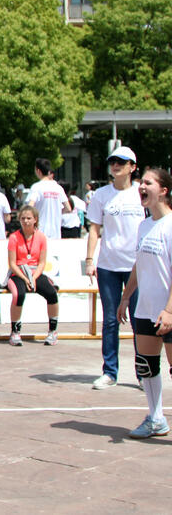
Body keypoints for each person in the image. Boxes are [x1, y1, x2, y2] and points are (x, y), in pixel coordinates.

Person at [117, 168, 172, 438]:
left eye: (148, 182)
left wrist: (169, 310)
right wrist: (126, 296)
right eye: (141, 182)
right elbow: (139, 264)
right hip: (146, 309)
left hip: (168, 310)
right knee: (146, 366)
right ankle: (156, 418)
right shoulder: (144, 225)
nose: (142, 186)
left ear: (163, 190)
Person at [86, 146, 145, 389]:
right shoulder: (101, 195)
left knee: (139, 320)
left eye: (122, 162)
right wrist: (90, 260)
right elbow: (94, 229)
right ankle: (110, 371)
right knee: (110, 320)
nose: (116, 165)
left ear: (132, 167)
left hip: (137, 267)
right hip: (108, 266)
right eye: (112, 161)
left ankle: (144, 373)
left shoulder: (141, 194)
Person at [1, 205, 59, 346]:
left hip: (36, 272)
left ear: (35, 220)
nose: (26, 221)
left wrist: (33, 278)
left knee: (52, 293)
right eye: (23, 218)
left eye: (29, 218)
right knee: (18, 295)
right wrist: (25, 278)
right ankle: (15, 332)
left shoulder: (41, 237)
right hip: (18, 273)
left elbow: (42, 262)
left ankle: (53, 331)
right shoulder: (14, 237)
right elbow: (12, 264)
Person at [26, 158, 72, 240]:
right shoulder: (58, 188)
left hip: (39, 233)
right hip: (56, 234)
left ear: (38, 171)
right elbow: (68, 208)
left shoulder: (37, 187)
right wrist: (57, 211)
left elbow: (29, 207)